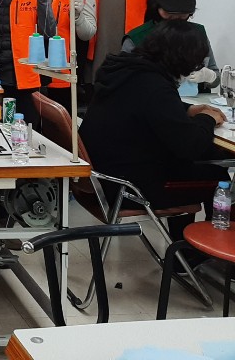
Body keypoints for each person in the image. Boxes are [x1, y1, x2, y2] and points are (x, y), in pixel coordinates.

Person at [79, 21, 229, 241]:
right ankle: (201, 250)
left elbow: (145, 107)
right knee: (218, 176)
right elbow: (191, 145)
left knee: (200, 160)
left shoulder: (124, 71)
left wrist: (187, 110)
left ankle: (184, 250)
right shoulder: (154, 85)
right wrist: (208, 118)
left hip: (101, 177)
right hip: (128, 187)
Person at [27, 0, 97, 111]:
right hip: (30, 65)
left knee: (59, 121)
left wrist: (79, 15)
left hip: (63, 71)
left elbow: (88, 33)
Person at [122, 0, 219, 92]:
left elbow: (216, 77)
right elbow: (122, 80)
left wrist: (210, 77)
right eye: (170, 14)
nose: (176, 19)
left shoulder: (198, 33)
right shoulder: (136, 38)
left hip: (195, 100)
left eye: (182, 15)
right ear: (156, 7)